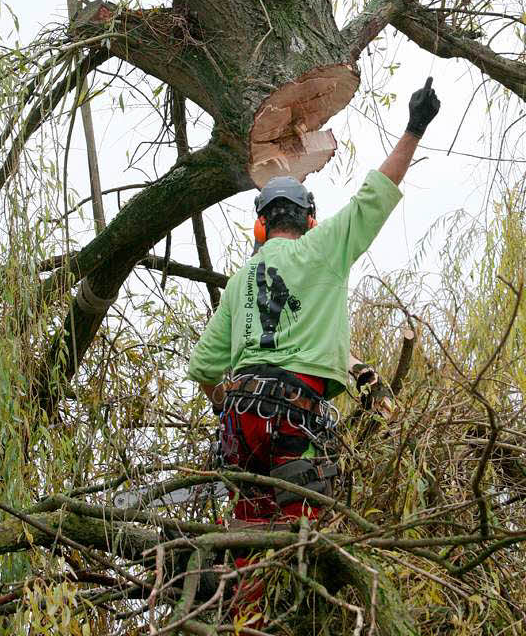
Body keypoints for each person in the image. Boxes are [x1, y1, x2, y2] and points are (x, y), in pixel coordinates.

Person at [187, 77, 440, 525]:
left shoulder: (242, 278)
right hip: (295, 415)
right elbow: (374, 198)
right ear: (310, 220)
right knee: (300, 537)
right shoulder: (323, 248)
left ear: (259, 229)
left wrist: (223, 404)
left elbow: (204, 366)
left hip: (241, 422)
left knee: (249, 531)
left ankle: (241, 589)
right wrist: (414, 127)